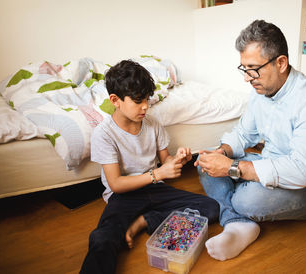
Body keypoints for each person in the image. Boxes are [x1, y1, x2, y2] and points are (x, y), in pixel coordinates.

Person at [194, 20, 306, 261]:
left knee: (247, 198)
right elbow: (244, 133)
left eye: (253, 68)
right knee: (207, 163)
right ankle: (239, 224)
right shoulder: (262, 91)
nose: (247, 78)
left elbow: (300, 172)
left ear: (281, 63)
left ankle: (236, 211)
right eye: (244, 68)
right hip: (272, 164)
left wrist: (233, 168)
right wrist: (222, 152)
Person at [80, 60, 219, 274]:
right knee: (103, 237)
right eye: (137, 100)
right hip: (125, 195)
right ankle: (143, 219)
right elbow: (116, 184)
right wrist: (157, 174)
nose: (145, 106)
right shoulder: (104, 134)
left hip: (155, 189)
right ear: (115, 100)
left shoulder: (152, 124)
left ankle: (144, 221)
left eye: (147, 99)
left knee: (210, 207)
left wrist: (179, 159)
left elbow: (166, 161)